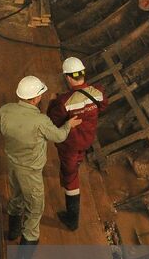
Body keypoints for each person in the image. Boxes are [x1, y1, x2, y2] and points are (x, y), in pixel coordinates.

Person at [0, 75, 81, 259]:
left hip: (12, 165)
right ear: (36, 99)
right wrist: (69, 125)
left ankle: (12, 231)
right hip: (31, 172)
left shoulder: (5, 110)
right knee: (35, 212)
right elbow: (59, 136)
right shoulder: (40, 121)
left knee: (16, 197)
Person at [45, 56, 105, 230]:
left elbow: (52, 120)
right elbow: (102, 106)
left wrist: (52, 101)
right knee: (75, 163)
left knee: (70, 178)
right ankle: (75, 166)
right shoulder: (98, 93)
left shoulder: (64, 102)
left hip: (70, 145)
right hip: (87, 140)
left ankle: (72, 220)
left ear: (68, 77)